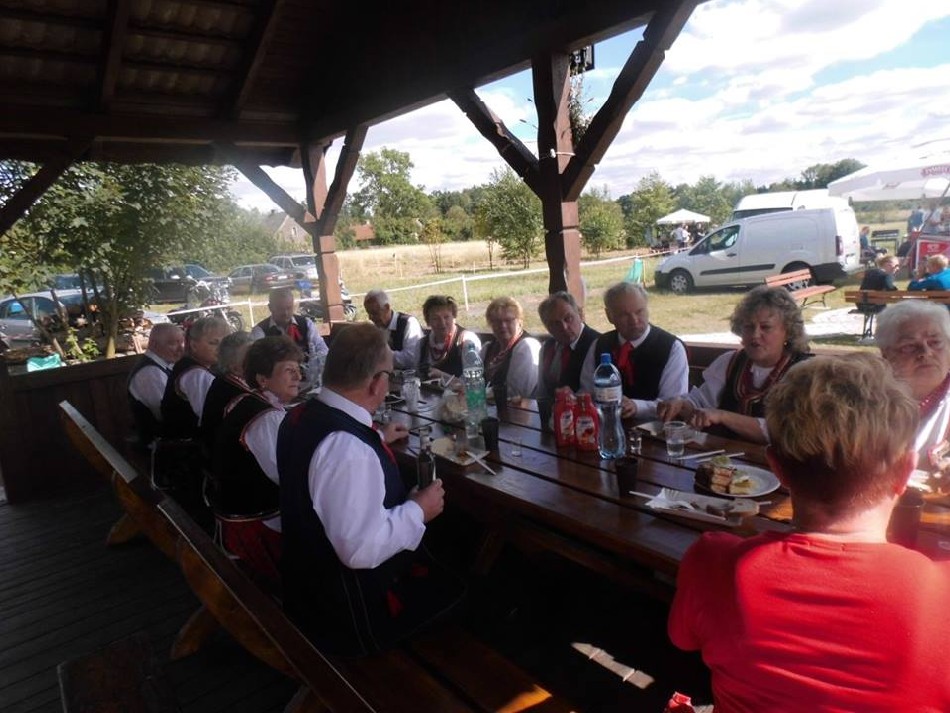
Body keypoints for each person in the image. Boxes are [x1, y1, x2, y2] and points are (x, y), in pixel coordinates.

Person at [669, 354, 950, 711]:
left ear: (777, 468)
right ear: (906, 470)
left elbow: (683, 640)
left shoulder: (712, 563)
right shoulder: (942, 595)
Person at [277, 323, 463, 656]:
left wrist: (375, 438)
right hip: (351, 617)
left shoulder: (302, 416)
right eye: (388, 375)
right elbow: (359, 551)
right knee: (468, 588)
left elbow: (324, 467)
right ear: (377, 383)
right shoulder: (348, 448)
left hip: (307, 589)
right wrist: (419, 510)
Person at [211, 336, 304, 593]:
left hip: (233, 517)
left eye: (298, 369)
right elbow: (288, 477)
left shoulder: (245, 400)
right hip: (255, 529)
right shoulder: (266, 418)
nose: (298, 376)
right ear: (263, 379)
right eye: (289, 370)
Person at [658, 286, 810, 443]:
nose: (755, 335)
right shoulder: (730, 362)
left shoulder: (804, 373)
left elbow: (784, 431)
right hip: (723, 457)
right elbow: (700, 403)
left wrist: (723, 416)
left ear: (788, 331)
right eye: (749, 326)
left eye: (766, 327)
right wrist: (681, 405)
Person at [580, 282, 688, 420]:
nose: (634, 320)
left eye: (639, 311)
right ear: (609, 316)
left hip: (655, 429)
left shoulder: (671, 347)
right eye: (624, 315)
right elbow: (586, 391)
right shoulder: (600, 345)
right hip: (606, 424)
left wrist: (637, 406)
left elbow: (673, 403)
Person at [877, 301, 950, 479]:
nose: (925, 352)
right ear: (886, 355)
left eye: (935, 342)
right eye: (909, 346)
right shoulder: (868, 399)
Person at [161, 316, 231, 440]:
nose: (221, 348)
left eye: (224, 343)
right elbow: (210, 417)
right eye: (213, 343)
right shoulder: (195, 374)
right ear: (193, 345)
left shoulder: (200, 367)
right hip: (188, 445)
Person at [250, 287, 328, 389]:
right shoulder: (260, 331)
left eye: (289, 308)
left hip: (310, 382)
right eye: (280, 309)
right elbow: (258, 362)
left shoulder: (306, 323)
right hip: (279, 387)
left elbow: (323, 349)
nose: (286, 313)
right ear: (270, 307)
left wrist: (313, 364)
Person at [128, 323, 184, 448]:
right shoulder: (150, 372)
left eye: (182, 342)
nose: (181, 349)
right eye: (173, 343)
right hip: (160, 445)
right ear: (154, 344)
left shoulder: (162, 366)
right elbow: (166, 414)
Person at [536, 291, 599, 401]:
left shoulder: (599, 344)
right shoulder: (547, 348)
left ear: (580, 314)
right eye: (555, 324)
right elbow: (541, 392)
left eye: (568, 318)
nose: (564, 327)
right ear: (547, 328)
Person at [200, 331, 253, 454]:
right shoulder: (237, 396)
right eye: (251, 358)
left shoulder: (225, 381)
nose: (260, 360)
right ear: (235, 368)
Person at [481, 296, 541, 399]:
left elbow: (517, 393)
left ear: (519, 322)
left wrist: (478, 393)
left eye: (508, 320)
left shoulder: (527, 346)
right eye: (496, 321)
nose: (503, 325)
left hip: (518, 408)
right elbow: (468, 380)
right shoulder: (488, 348)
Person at [418, 295, 480, 380]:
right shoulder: (422, 344)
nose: (442, 323)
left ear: (454, 317)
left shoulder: (467, 340)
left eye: (446, 317)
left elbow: (473, 380)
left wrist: (442, 376)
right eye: (435, 319)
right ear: (428, 321)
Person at [363, 289, 423, 370]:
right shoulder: (376, 328)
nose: (370, 318)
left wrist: (382, 355)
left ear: (387, 307)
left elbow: (411, 359)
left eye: (374, 313)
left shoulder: (409, 323)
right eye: (368, 313)